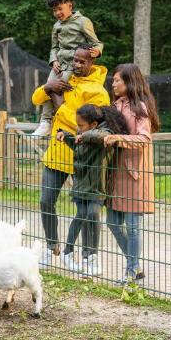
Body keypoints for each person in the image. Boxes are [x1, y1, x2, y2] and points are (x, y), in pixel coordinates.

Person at [30, 48, 110, 266]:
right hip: (57, 154)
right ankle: (51, 246)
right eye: (74, 60)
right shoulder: (66, 78)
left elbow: (82, 122)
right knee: (46, 201)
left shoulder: (98, 92)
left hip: (83, 158)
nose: (76, 64)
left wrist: (59, 104)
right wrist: (48, 87)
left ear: (91, 61)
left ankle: (89, 255)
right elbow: (36, 99)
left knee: (88, 210)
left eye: (81, 61)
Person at [55, 104, 128, 276]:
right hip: (81, 186)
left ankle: (91, 257)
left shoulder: (105, 134)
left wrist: (84, 135)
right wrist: (65, 135)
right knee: (81, 217)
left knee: (93, 217)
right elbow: (77, 145)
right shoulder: (84, 136)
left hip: (96, 187)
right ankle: (68, 252)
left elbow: (102, 136)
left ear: (94, 124)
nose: (79, 130)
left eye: (81, 125)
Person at [103, 63, 159, 283]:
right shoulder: (115, 106)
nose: (113, 83)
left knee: (133, 227)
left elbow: (145, 139)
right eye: (114, 80)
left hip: (135, 174)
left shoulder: (140, 108)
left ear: (129, 82)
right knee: (113, 223)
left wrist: (119, 139)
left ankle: (131, 270)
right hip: (115, 173)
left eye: (117, 80)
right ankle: (134, 265)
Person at [32, 0, 103, 136]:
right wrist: (54, 60)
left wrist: (98, 51)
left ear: (69, 6)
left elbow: (96, 42)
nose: (57, 13)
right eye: (54, 10)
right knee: (47, 87)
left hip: (74, 65)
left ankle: (61, 120)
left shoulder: (83, 21)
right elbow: (54, 47)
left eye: (60, 9)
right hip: (59, 65)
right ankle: (45, 122)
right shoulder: (56, 26)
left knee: (58, 88)